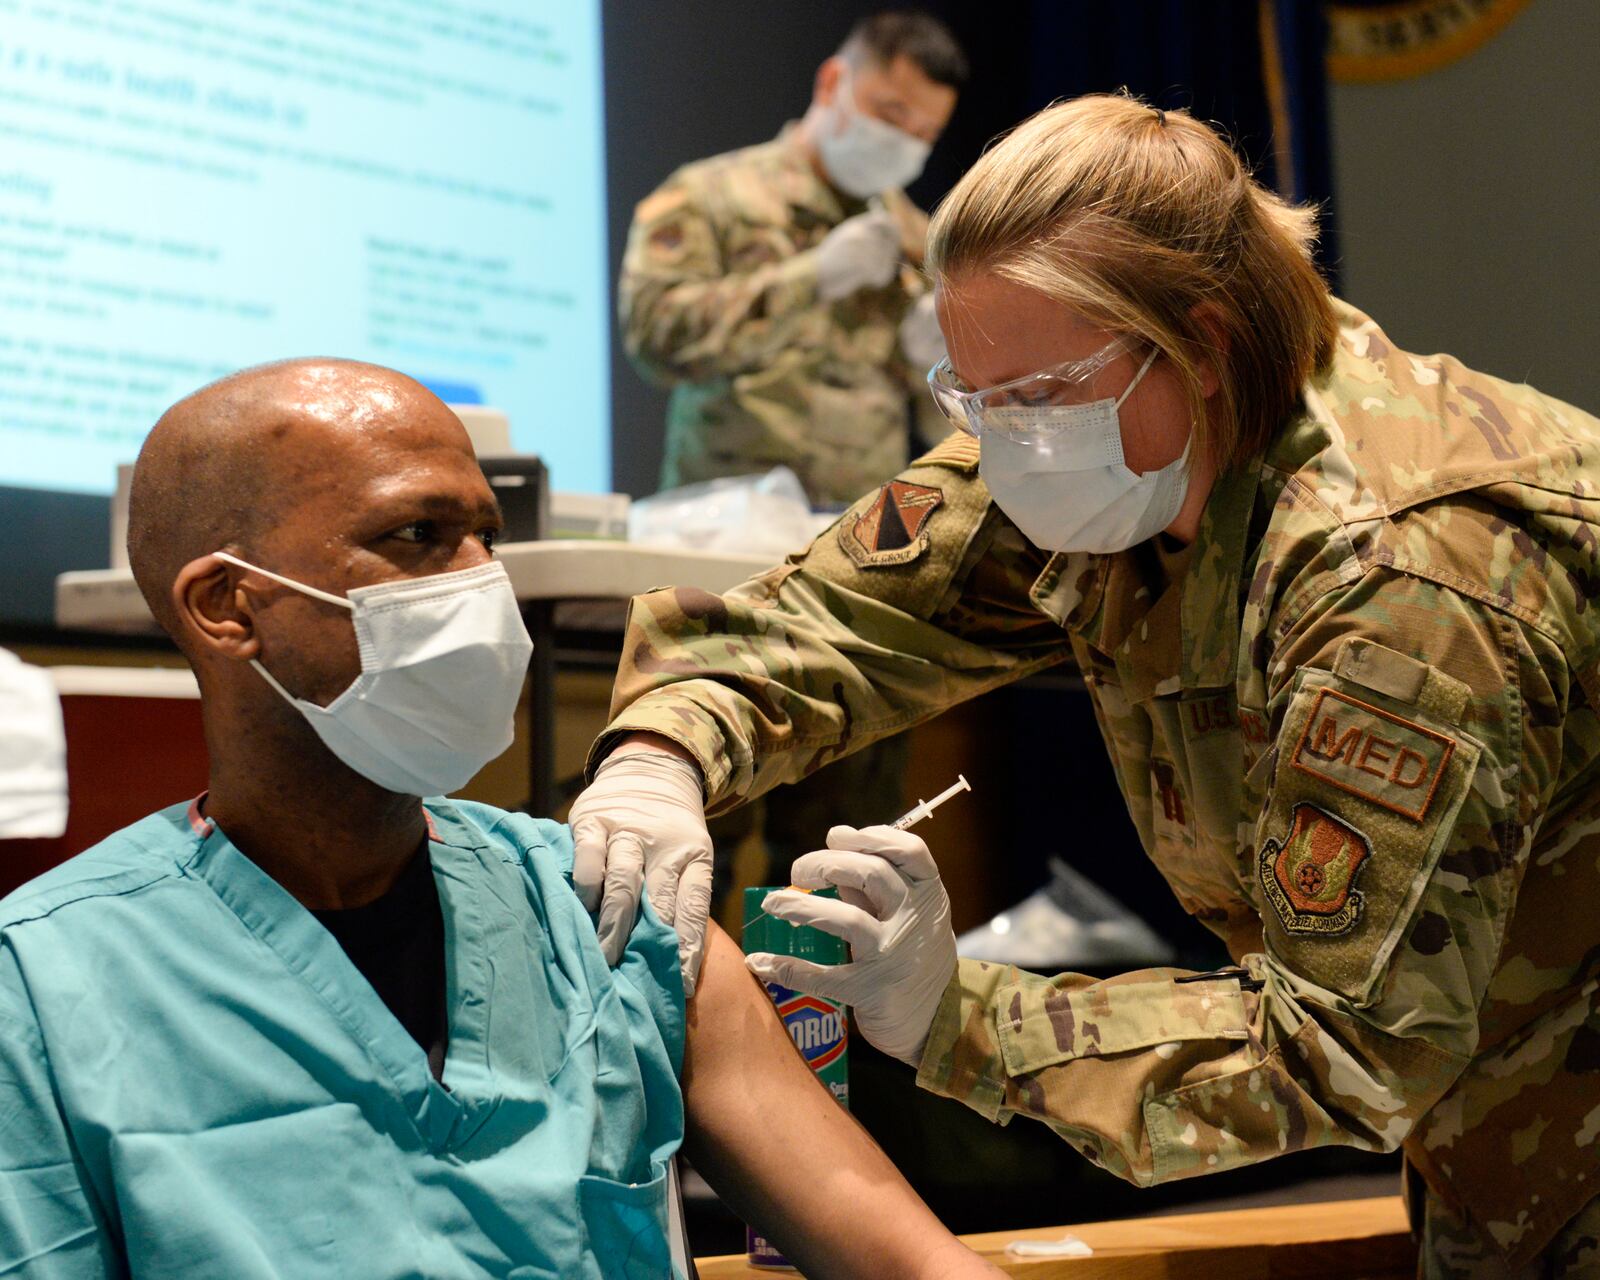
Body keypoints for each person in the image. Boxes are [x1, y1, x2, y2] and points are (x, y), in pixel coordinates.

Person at [574, 96, 1600, 1277]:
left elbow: (1344, 1052)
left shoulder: (1402, 579)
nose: (1001, 442)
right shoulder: (1113, 430)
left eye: (1033, 396)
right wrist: (659, 754)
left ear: (1202, 345)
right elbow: (818, 620)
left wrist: (954, 1018)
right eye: (971, 397)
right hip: (1501, 1138)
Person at [0, 359, 1001, 1279]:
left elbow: (908, 1262)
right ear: (228, 604)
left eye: (489, 537)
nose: (484, 583)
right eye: (417, 537)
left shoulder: (619, 908)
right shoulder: (43, 988)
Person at [618, 9, 966, 507]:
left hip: (854, 531)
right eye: (891, 115)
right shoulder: (708, 194)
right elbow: (654, 340)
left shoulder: (923, 241)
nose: (903, 143)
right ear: (832, 83)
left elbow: (950, 436)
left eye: (924, 134)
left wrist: (937, 366)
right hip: (721, 519)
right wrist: (812, 279)